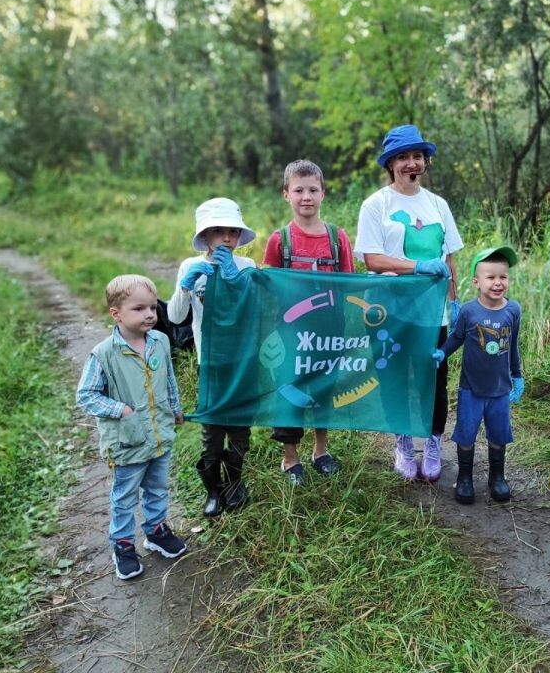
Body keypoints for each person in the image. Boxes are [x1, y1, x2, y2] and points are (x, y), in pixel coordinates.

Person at [354, 124, 463, 482]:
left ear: (425, 162)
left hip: (431, 314)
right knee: (394, 378)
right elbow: (371, 259)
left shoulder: (438, 205)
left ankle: (432, 442)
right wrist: (416, 266)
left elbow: (449, 260)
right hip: (388, 311)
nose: (411, 163)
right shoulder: (376, 205)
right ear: (391, 164)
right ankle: (402, 442)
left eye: (417, 156)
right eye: (403, 157)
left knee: (434, 379)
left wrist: (454, 302)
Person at [76, 275, 187, 580]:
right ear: (116, 314)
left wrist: (175, 408)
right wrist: (119, 409)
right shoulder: (103, 354)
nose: (150, 314)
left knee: (157, 487)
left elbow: (169, 380)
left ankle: (155, 531)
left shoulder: (160, 341)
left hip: (160, 434)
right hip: (128, 441)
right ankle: (123, 544)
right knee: (125, 496)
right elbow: (86, 395)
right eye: (139, 308)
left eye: (152, 307)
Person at [261, 159, 355, 486]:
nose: (306, 197)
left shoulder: (337, 237)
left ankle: (321, 450)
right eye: (298, 190)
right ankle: (290, 457)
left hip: (330, 329)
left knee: (324, 388)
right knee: (290, 389)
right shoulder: (279, 240)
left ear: (323, 194)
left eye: (313, 190)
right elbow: (268, 285)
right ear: (286, 194)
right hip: (292, 331)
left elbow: (350, 282)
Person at [168, 198, 257, 517]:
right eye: (218, 231)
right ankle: (213, 490)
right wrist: (185, 285)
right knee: (212, 430)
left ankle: (235, 484)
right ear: (205, 236)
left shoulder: (247, 267)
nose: (227, 238)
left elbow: (257, 315)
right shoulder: (191, 266)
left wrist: (238, 283)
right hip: (212, 364)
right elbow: (177, 317)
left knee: (239, 430)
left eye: (232, 231)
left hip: (243, 362)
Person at [432, 246, 523, 504]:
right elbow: (456, 338)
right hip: (471, 389)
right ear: (476, 281)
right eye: (490, 277)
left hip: (500, 390)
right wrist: (442, 353)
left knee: (498, 434)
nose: (497, 283)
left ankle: (497, 477)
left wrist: (517, 376)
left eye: (503, 277)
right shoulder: (469, 312)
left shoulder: (513, 310)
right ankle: (464, 478)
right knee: (467, 434)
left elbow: (513, 345)